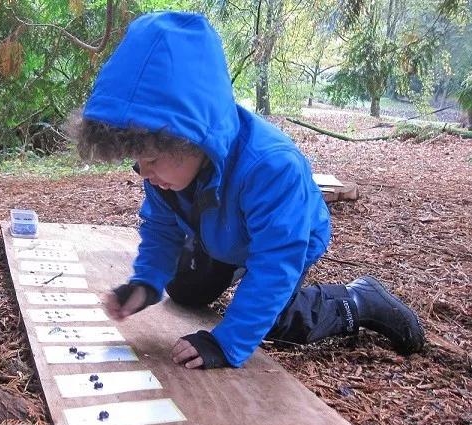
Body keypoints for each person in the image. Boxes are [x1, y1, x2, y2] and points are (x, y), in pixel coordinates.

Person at [67, 11, 425, 369]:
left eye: (151, 159)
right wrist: (145, 283)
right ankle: (226, 274)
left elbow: (275, 263)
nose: (143, 172)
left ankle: (359, 301)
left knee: (273, 318)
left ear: (190, 141)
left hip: (284, 239)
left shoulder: (271, 166)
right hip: (218, 229)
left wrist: (227, 342)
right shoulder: (166, 167)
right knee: (184, 290)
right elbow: (162, 228)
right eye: (136, 160)